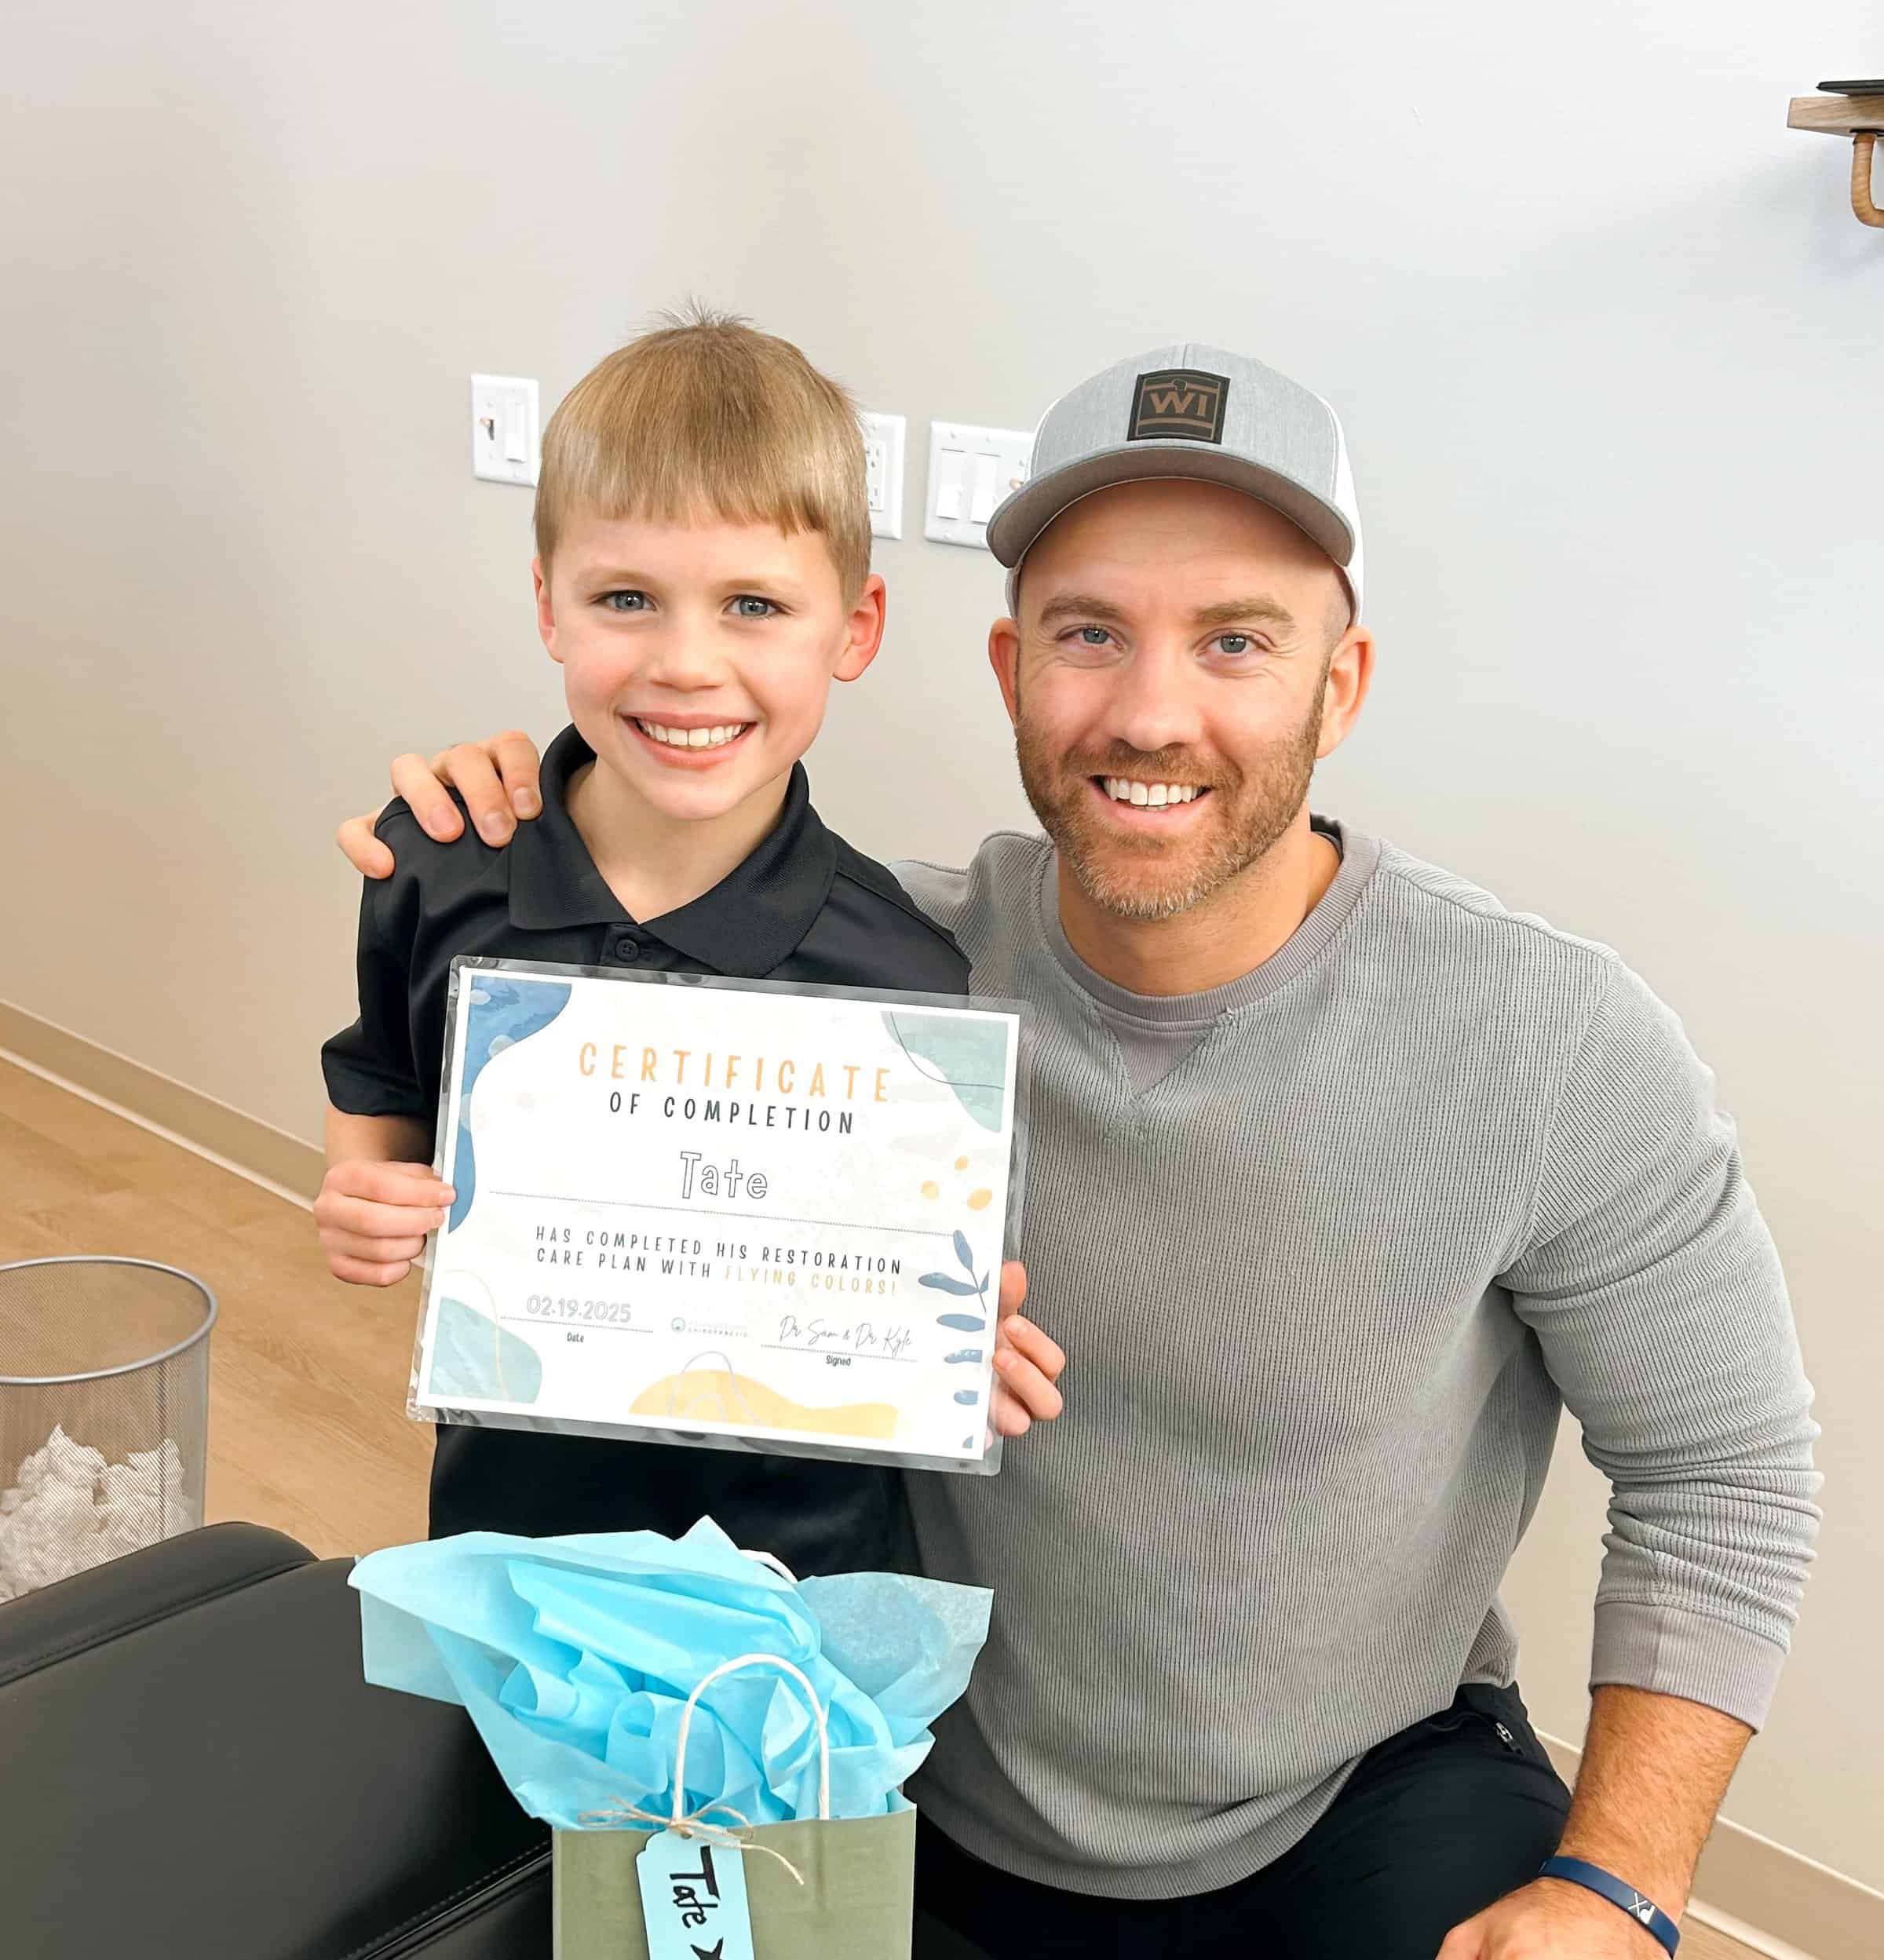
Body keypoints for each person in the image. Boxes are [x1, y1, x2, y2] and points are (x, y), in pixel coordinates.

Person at [335, 341, 1821, 1960]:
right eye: (1089, 633)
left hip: (1359, 1798)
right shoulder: (875, 990)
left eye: (1236, 640)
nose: (1150, 712)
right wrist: (512, 807)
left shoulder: (1550, 1037)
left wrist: (1618, 1882)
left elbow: (1724, 1472)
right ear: (1008, 667)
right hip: (904, 1769)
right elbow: (617, 1008)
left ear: (1341, 683)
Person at [317, 310, 1064, 1575]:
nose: (686, 664)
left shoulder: (904, 977)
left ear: (856, 627)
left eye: (754, 604)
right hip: (513, 1550)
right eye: (627, 598)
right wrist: (361, 1200)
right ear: (549, 605)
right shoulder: (436, 867)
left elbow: (903, 1276)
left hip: (798, 1580)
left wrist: (939, 1349)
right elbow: (382, 1077)